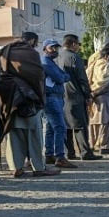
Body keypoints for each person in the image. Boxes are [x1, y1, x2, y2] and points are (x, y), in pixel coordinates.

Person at [0, 32, 61, 177]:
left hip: (10, 99)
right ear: (32, 40)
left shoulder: (4, 51)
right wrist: (40, 97)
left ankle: (16, 167)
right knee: (34, 135)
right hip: (29, 99)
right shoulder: (30, 53)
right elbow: (37, 76)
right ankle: (38, 167)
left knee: (13, 135)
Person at [56, 34, 102, 161]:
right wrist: (87, 94)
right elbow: (82, 78)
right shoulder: (75, 57)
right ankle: (85, 152)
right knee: (80, 125)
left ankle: (70, 153)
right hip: (75, 95)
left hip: (62, 95)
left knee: (67, 126)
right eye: (78, 44)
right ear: (73, 44)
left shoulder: (58, 57)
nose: (79, 47)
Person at [41, 38, 76, 168]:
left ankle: (50, 154)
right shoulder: (46, 62)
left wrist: (62, 77)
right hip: (51, 97)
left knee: (51, 127)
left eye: (56, 48)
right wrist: (62, 77)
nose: (54, 50)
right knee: (60, 127)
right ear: (45, 49)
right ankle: (60, 156)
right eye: (52, 48)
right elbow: (60, 77)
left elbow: (65, 76)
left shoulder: (51, 62)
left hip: (55, 96)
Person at [87, 46, 109, 153]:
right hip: (106, 95)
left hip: (93, 95)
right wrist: (97, 92)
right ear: (107, 56)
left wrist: (92, 94)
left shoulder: (93, 65)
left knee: (94, 122)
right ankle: (104, 146)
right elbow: (108, 83)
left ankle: (93, 144)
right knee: (107, 122)